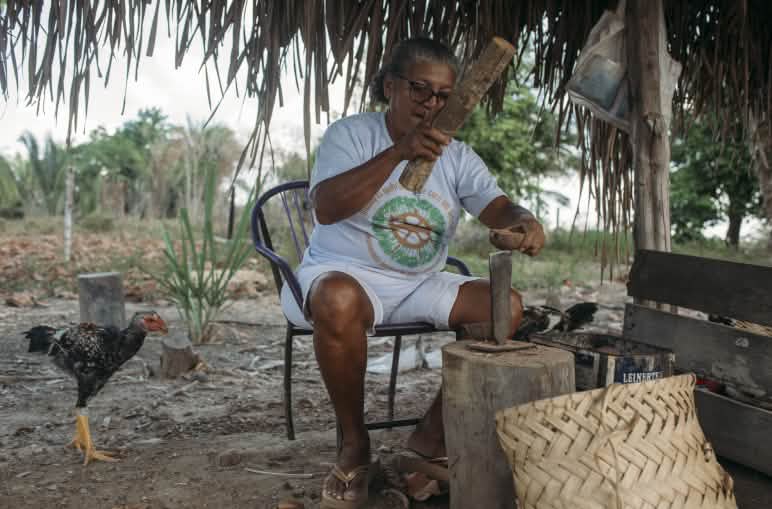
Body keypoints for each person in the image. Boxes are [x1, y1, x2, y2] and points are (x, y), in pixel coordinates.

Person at [279, 37, 545, 508]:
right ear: (390, 86)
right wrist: (398, 152)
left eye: (443, 95)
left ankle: (428, 440)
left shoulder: (457, 155)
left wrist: (522, 222)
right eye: (420, 88)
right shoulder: (353, 135)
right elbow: (326, 207)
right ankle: (355, 444)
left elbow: (499, 206)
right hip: (343, 274)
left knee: (504, 306)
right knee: (337, 300)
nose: (432, 103)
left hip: (420, 281)